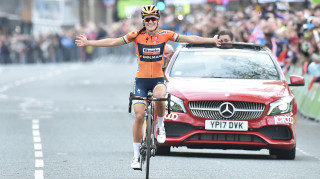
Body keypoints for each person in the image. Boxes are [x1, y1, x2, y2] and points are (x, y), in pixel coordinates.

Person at [75, 5, 221, 170]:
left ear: (157, 20)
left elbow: (190, 39)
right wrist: (89, 42)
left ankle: (160, 126)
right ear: (144, 21)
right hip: (141, 82)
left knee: (159, 96)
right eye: (147, 19)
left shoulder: (165, 35)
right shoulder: (136, 35)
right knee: (138, 116)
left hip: (158, 79)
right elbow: (113, 41)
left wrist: (211, 40)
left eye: (153, 19)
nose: (150, 21)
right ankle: (136, 156)